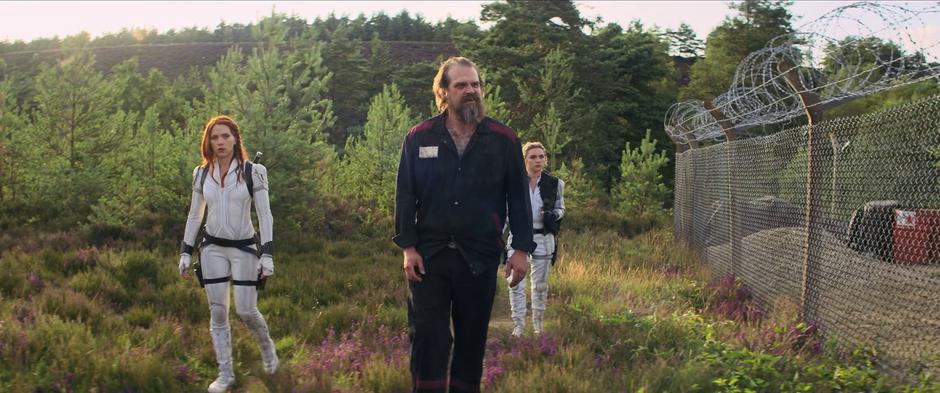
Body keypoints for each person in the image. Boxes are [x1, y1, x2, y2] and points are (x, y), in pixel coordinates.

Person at [394, 56, 536, 393]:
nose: (470, 91)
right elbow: (405, 194)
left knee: (472, 339)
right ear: (443, 92)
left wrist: (521, 250)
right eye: (461, 85)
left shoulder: (503, 140)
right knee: (429, 336)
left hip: (480, 256)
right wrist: (408, 247)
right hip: (430, 256)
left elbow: (518, 198)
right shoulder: (420, 137)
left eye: (475, 84)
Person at [177, 115, 278, 393]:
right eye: (214, 137)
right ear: (208, 141)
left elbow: (265, 215)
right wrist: (186, 251)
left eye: (225, 136)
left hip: (245, 247)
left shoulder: (253, 171)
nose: (220, 142)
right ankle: (226, 374)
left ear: (235, 139)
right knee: (218, 312)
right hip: (212, 249)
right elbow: (194, 215)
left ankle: (268, 351)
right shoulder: (201, 174)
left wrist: (267, 254)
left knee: (246, 310)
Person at [507, 142, 566, 337]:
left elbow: (561, 208)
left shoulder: (555, 184)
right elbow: (504, 210)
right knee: (515, 282)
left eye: (541, 156)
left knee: (540, 285)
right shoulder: (514, 183)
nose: (538, 160)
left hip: (543, 236)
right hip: (518, 236)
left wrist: (553, 215)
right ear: (524, 160)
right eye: (533, 157)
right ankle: (518, 326)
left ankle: (538, 325)